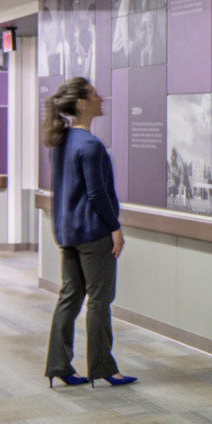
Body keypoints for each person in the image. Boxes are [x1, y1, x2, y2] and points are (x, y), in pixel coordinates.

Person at [43, 78, 136, 388]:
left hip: (67, 231)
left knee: (69, 297)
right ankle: (103, 367)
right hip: (93, 233)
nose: (101, 98)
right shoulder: (91, 145)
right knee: (99, 299)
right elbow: (98, 194)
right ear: (82, 104)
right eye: (95, 94)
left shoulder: (61, 140)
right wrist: (115, 228)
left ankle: (59, 366)